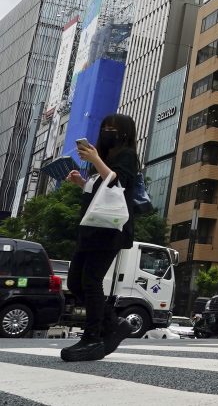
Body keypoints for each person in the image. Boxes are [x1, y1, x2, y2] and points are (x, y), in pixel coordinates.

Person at [60, 114, 140, 362]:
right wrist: (80, 182)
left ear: (125, 132)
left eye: (113, 128)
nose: (107, 131)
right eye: (104, 127)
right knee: (75, 282)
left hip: (110, 229)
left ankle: (93, 337)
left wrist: (95, 160)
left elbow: (118, 183)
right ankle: (114, 323)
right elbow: (100, 193)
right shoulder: (104, 160)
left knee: (92, 280)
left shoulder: (127, 156)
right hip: (91, 228)